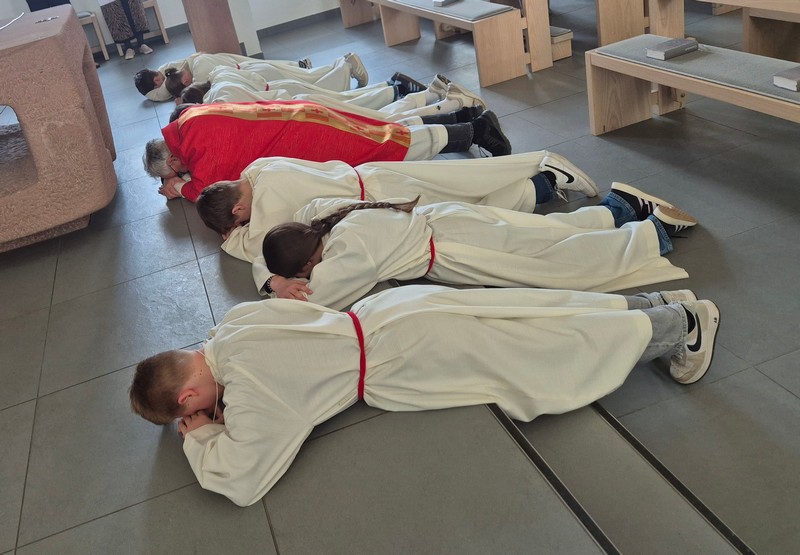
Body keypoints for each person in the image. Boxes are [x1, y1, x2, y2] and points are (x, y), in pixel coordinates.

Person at [129, 284, 721, 506]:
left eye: (196, 410)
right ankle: (652, 304)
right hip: (390, 309)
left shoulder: (253, 391)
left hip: (405, 359)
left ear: (187, 399)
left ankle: (682, 327)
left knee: (543, 357)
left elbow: (241, 479)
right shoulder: (233, 325)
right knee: (529, 312)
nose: (208, 413)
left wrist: (203, 438)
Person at [194, 153, 599, 296]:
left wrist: (240, 249)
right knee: (467, 185)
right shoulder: (258, 169)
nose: (245, 225)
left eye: (239, 221)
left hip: (380, 202)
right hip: (370, 180)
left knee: (478, 210)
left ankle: (543, 184)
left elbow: (262, 248)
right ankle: (540, 175)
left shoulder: (271, 207)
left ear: (238, 210)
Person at [261, 184, 697, 310]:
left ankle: (653, 233)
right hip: (448, 218)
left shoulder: (348, 254)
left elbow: (315, 300)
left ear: (307, 264)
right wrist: (278, 274)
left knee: (555, 265)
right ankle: (620, 208)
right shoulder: (330, 216)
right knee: (546, 232)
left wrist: (277, 286)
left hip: (455, 251)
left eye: (302, 273)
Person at [143, 100, 512, 202]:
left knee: (387, 147)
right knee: (385, 133)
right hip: (299, 116)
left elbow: (208, 189)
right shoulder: (188, 120)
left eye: (175, 171)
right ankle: (462, 121)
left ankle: (476, 131)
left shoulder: (199, 150)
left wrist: (181, 188)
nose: (181, 172)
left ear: (172, 159)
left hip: (306, 138)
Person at [179, 68, 485, 119]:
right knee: (363, 106)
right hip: (291, 101)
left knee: (376, 116)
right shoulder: (217, 84)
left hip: (295, 109)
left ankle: (446, 101)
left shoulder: (219, 102)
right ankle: (430, 95)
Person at [134, 52, 366, 102]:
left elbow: (161, 93)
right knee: (310, 78)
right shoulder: (201, 65)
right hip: (258, 72)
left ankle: (345, 66)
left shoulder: (207, 77)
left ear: (187, 82)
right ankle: (342, 63)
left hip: (264, 80)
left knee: (315, 85)